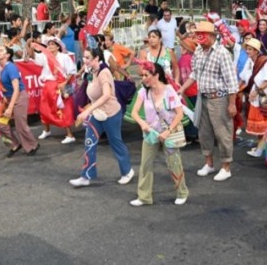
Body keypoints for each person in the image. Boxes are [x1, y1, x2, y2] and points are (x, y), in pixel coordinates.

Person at [177, 21, 239, 182]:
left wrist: (232, 103)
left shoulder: (222, 53)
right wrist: (182, 88)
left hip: (219, 98)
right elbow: (195, 74)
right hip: (202, 97)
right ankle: (209, 163)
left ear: (211, 36)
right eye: (197, 33)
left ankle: (226, 167)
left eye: (202, 33)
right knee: (204, 132)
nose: (198, 36)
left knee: (222, 132)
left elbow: (232, 81)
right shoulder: (198, 51)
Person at [70, 47, 134, 187]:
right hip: (97, 115)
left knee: (115, 142)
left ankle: (127, 171)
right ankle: (86, 176)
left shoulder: (104, 73)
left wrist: (88, 111)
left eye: (88, 58)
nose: (85, 61)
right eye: (84, 58)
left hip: (111, 114)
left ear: (97, 58)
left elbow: (106, 95)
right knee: (89, 142)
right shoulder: (91, 72)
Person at [129, 62, 189, 206]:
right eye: (142, 75)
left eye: (146, 75)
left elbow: (179, 113)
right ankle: (144, 197)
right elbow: (134, 112)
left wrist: (168, 131)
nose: (143, 78)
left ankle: (182, 192)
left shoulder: (169, 91)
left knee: (174, 163)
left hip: (168, 133)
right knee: (145, 164)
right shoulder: (143, 92)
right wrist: (142, 123)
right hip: (150, 132)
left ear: (156, 75)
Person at [242, 38, 267, 165]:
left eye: (250, 49)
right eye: (247, 49)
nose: (247, 51)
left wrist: (257, 91)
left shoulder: (264, 62)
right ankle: (261, 148)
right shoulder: (250, 62)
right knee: (262, 127)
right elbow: (244, 77)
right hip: (257, 98)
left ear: (256, 51)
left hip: (266, 98)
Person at [0, 46, 38, 157]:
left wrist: (10, 107)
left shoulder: (11, 68)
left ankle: (32, 145)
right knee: (0, 125)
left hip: (19, 97)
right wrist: (4, 100)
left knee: (20, 125)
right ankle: (15, 144)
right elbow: (2, 86)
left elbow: (17, 89)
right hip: (7, 98)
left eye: (1, 50)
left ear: (7, 55)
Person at [34, 39, 78, 144]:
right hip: (48, 86)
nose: (50, 46)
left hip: (60, 86)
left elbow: (71, 72)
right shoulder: (45, 56)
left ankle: (70, 135)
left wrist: (64, 83)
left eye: (52, 44)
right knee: (45, 109)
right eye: (48, 45)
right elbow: (32, 57)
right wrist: (30, 45)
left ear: (58, 47)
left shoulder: (64, 57)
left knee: (63, 110)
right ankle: (46, 130)